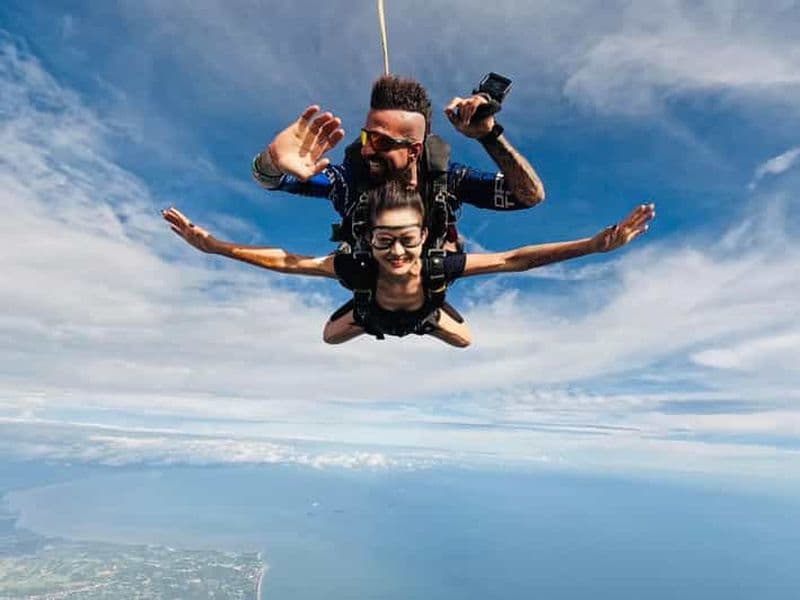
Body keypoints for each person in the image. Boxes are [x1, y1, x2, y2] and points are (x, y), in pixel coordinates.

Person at [162, 183, 655, 348]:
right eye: (383, 241)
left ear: (424, 238)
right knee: (328, 338)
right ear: (369, 240)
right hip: (373, 313)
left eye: (406, 240)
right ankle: (393, 322)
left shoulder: (441, 264)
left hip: (422, 312)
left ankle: (421, 322)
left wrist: (592, 245)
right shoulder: (355, 267)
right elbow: (287, 263)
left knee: (466, 341)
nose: (396, 253)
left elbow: (514, 259)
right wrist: (217, 247)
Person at [250, 74, 546, 248]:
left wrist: (489, 136)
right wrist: (272, 161)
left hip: (428, 280)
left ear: (415, 151)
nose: (368, 151)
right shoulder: (350, 180)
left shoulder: (446, 180)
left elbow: (528, 197)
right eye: (367, 138)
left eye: (382, 143)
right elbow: (276, 182)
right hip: (371, 279)